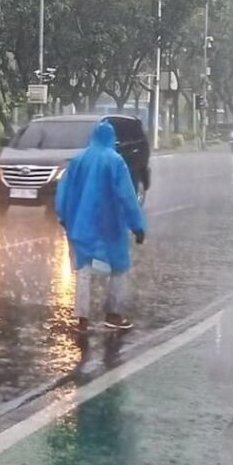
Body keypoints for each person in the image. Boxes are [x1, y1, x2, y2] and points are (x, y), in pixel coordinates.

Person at [55, 120, 146, 333]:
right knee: (118, 268)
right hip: (110, 226)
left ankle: (82, 320)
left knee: (84, 271)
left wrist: (63, 216)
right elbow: (127, 196)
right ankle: (113, 315)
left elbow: (63, 190)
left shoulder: (79, 160)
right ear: (111, 138)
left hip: (81, 225)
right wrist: (137, 226)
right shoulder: (115, 161)